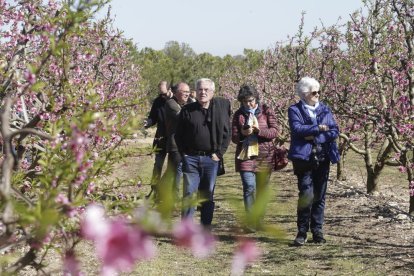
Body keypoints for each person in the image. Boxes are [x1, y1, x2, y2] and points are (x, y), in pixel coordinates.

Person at [288, 76, 340, 246]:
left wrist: (315, 135)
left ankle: (317, 231)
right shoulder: (295, 110)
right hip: (304, 158)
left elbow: (334, 130)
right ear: (304, 94)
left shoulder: (325, 109)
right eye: (314, 92)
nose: (317, 95)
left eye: (318, 91)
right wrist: (318, 128)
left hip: (323, 156)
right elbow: (297, 129)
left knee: (319, 195)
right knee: (306, 195)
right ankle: (302, 231)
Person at [175, 78, 231, 227]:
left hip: (210, 159)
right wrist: (184, 154)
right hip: (191, 158)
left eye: (206, 90)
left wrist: (219, 154)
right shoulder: (187, 110)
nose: (203, 92)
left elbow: (227, 134)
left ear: (212, 92)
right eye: (200, 89)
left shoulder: (220, 109)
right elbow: (178, 135)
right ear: (196, 91)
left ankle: (205, 229)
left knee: (207, 196)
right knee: (189, 194)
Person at [231, 85, 278, 228]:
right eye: (244, 101)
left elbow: (275, 132)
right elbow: (234, 137)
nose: (248, 104)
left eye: (250, 100)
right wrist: (242, 135)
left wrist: (259, 131)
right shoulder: (238, 115)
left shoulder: (266, 111)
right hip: (246, 155)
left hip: (265, 156)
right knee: (249, 187)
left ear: (256, 98)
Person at [159, 82, 192, 204]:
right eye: (184, 92)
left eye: (188, 92)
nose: (187, 95)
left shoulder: (184, 104)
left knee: (172, 170)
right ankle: (174, 195)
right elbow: (183, 116)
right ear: (177, 93)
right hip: (174, 144)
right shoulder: (171, 103)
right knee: (176, 169)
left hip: (184, 143)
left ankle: (160, 190)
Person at [144, 81, 172, 195]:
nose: (162, 96)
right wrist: (147, 123)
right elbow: (153, 118)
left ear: (170, 90)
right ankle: (154, 189)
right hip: (160, 138)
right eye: (161, 94)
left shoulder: (177, 101)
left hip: (174, 140)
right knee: (158, 164)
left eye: (164, 94)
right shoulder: (157, 101)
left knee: (173, 167)